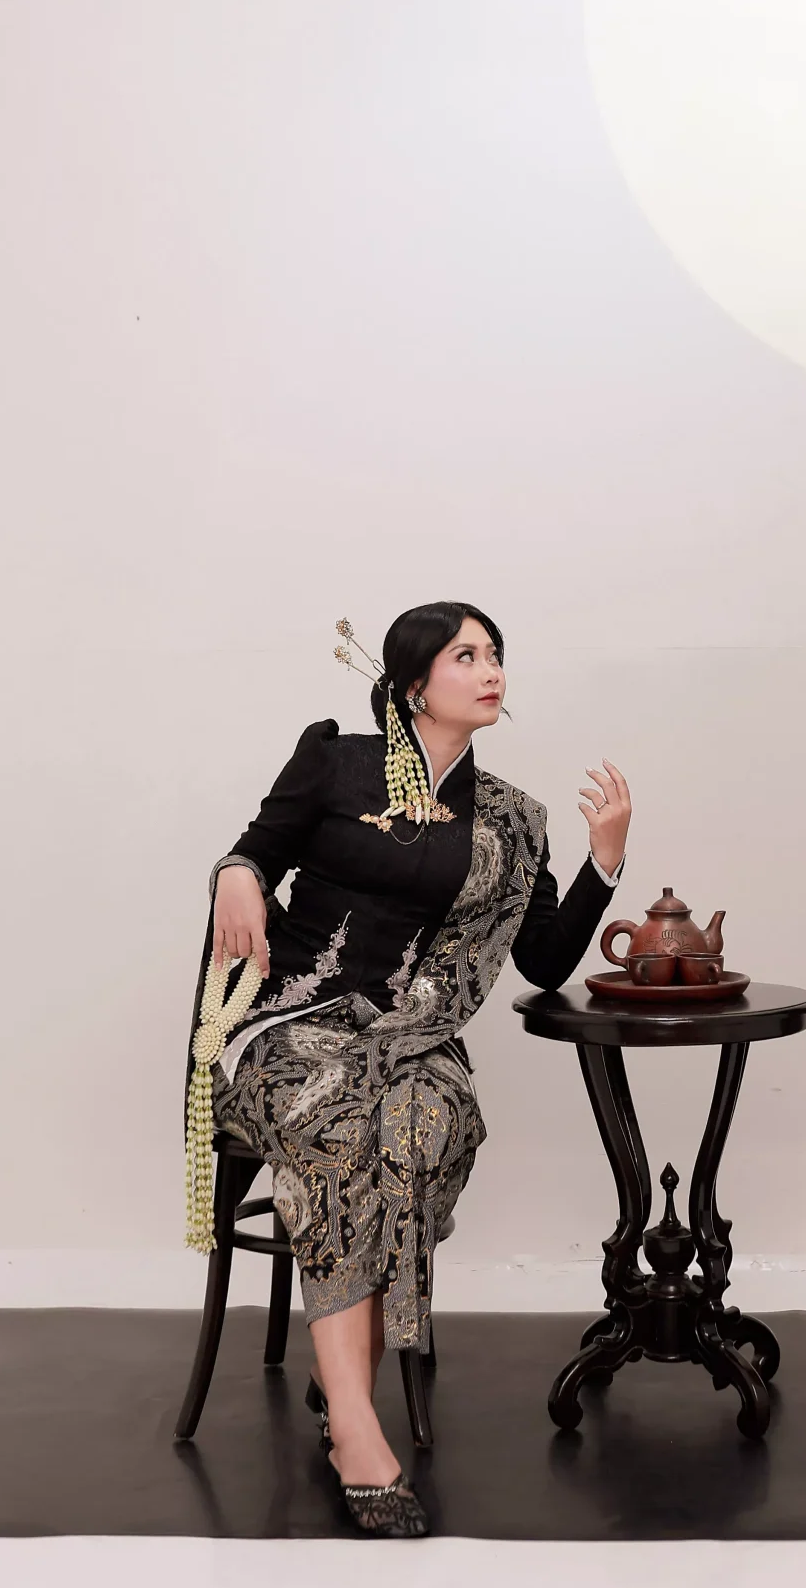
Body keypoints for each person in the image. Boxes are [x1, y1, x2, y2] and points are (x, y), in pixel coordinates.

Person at [202, 602, 631, 1533]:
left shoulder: (513, 818)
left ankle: (337, 1378)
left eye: (495, 654)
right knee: (336, 1126)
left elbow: (543, 960)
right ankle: (354, 1426)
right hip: (295, 1024)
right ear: (411, 685)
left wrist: (604, 863)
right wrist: (235, 872)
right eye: (465, 656)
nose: (491, 671)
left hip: (414, 1039)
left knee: (421, 1124)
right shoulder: (335, 761)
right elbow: (257, 850)